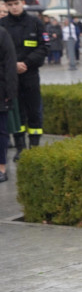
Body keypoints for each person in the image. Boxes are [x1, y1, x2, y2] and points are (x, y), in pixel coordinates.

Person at [0, 0, 47, 161]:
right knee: (15, 111)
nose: (13, 7)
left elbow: (44, 47)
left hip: (30, 73)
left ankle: (34, 147)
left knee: (34, 111)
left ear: (22, 2)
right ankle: (20, 147)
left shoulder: (35, 23)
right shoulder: (2, 25)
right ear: (6, 6)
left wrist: (26, 63)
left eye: (16, 3)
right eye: (9, 5)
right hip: (9, 77)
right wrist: (13, 65)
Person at [0, 24, 16, 182]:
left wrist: (10, 92)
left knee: (1, 132)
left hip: (0, 90)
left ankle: (1, 167)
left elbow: (10, 64)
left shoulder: (2, 34)